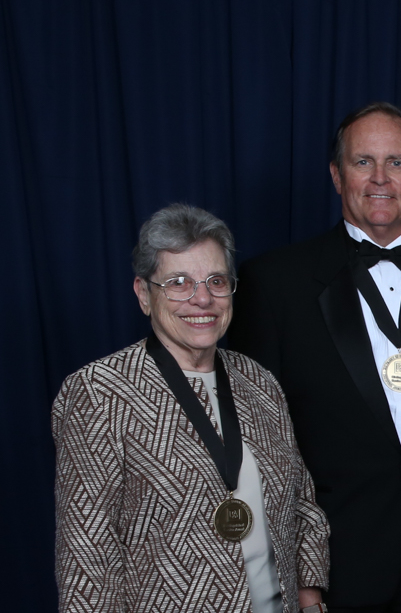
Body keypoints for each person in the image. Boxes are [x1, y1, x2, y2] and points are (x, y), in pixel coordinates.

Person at [228, 102, 401, 613]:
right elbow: (254, 446)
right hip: (331, 570)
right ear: (336, 176)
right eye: (363, 162)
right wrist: (291, 569)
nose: (380, 178)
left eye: (396, 163)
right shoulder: (274, 285)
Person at [53, 204, 330, 612]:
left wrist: (310, 595)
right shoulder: (99, 392)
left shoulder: (259, 383)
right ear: (144, 294)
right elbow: (87, 556)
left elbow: (301, 502)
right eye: (179, 282)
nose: (202, 299)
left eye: (216, 281)